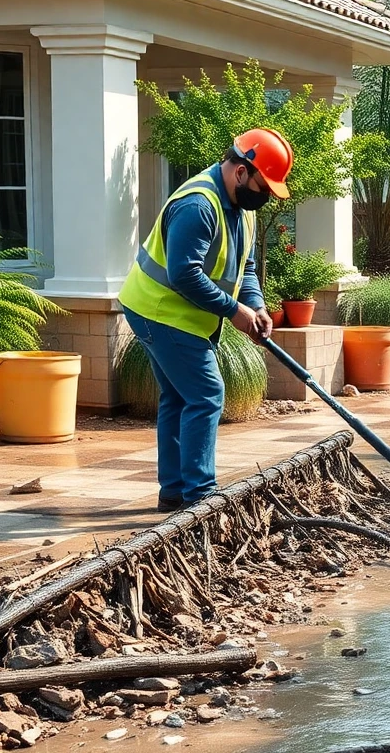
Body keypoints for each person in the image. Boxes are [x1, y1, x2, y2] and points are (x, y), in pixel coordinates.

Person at [118, 128, 292, 511]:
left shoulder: (239, 208)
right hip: (159, 311)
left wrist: (256, 305)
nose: (264, 197)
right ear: (242, 171)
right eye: (264, 187)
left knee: (179, 397)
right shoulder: (199, 204)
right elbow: (184, 274)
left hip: (178, 314)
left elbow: (244, 264)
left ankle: (176, 493)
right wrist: (234, 312)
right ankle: (200, 497)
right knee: (206, 394)